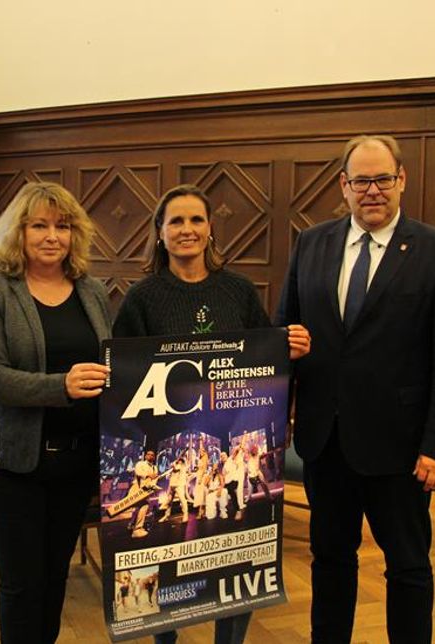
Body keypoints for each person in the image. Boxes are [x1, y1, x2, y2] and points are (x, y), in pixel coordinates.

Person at [274, 134, 435, 643]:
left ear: (401, 180)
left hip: (401, 447)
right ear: (343, 185)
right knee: (330, 559)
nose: (372, 191)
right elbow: (285, 332)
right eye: (361, 181)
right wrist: (279, 397)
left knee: (408, 565)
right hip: (325, 440)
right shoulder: (311, 243)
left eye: (383, 179)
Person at [113, 184, 311, 644]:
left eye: (196, 220)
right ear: (160, 233)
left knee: (237, 560)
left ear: (210, 229)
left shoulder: (238, 291)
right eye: (176, 221)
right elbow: (125, 378)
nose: (187, 229)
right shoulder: (141, 297)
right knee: (167, 560)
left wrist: (289, 348)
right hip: (171, 436)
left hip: (232, 435)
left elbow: (265, 360)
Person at [0, 181, 111, 644]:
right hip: (16, 466)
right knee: (22, 586)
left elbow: (111, 363)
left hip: (78, 463)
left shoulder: (91, 290)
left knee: (55, 579)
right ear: (18, 231)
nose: (53, 236)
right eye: (39, 226)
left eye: (63, 226)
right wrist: (62, 386)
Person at [129, 449, 160, 538]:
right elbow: (138, 472)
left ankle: (132, 524)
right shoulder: (140, 464)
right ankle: (137, 529)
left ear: (154, 457)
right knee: (143, 506)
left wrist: (154, 485)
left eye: (152, 455)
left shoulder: (155, 468)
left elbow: (154, 480)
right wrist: (148, 475)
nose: (150, 456)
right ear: (146, 456)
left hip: (147, 491)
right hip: (137, 489)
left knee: (139, 508)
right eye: (148, 454)